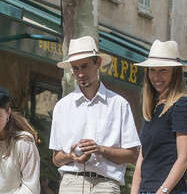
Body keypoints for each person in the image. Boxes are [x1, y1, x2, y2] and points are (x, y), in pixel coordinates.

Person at [50, 36, 140, 194]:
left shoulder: (119, 104)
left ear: (97, 63)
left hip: (106, 184)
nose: (80, 74)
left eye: (84, 66)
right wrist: (71, 155)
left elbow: (133, 155)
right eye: (75, 68)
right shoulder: (62, 107)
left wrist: (100, 150)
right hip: (71, 182)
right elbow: (56, 159)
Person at [131, 40, 187, 194]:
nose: (156, 76)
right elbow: (142, 156)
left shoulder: (182, 105)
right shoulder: (152, 107)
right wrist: (134, 190)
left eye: (163, 70)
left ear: (175, 72)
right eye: (152, 70)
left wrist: (162, 191)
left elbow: (184, 159)